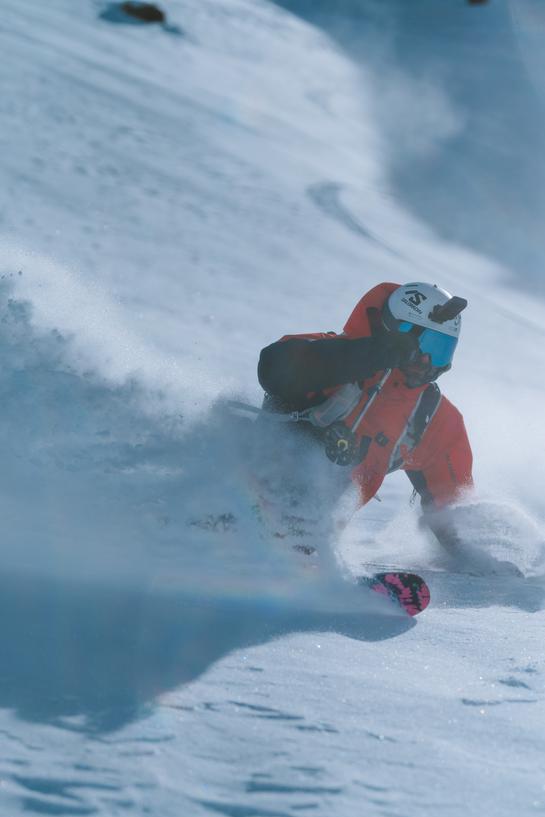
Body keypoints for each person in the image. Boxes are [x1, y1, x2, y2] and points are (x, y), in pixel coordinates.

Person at [257, 281, 473, 553]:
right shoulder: (333, 355)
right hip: (250, 496)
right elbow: (273, 369)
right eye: (424, 346)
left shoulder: (430, 416)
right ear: (395, 331)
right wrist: (369, 355)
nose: (427, 362)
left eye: (441, 350)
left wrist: (474, 557)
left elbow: (453, 506)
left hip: (312, 542)